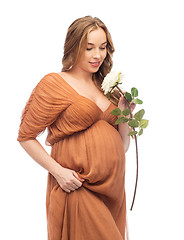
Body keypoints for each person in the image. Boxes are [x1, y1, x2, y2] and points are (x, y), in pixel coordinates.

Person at [17, 16, 135, 240]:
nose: (97, 55)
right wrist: (58, 172)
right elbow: (26, 137)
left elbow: (122, 146)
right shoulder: (55, 84)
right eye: (89, 47)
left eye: (102, 47)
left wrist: (126, 115)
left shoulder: (108, 89)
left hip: (112, 191)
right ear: (73, 46)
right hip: (78, 185)